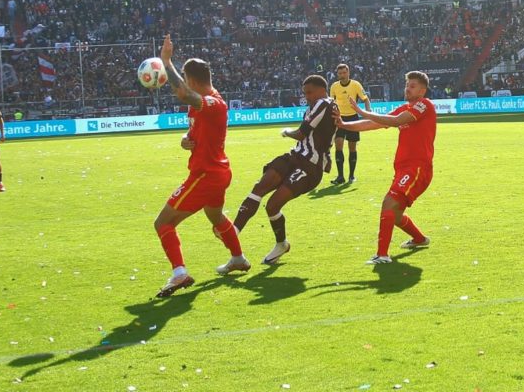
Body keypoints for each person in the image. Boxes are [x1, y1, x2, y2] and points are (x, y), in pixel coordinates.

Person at [152, 34, 247, 298]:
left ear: (192, 80)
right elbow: (195, 131)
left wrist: (166, 62)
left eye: (184, 78)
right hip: (217, 172)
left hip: (206, 174)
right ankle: (238, 258)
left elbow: (183, 93)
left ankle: (179, 272)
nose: (181, 83)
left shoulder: (214, 103)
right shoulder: (202, 105)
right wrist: (187, 139)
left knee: (162, 223)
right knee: (216, 217)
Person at [231, 75, 338, 264]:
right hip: (294, 157)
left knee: (273, 205)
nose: (307, 97)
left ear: (322, 90)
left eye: (310, 92)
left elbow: (301, 134)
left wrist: (286, 131)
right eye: (305, 93)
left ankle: (280, 244)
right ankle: (232, 233)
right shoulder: (317, 106)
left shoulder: (325, 103)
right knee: (260, 186)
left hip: (310, 166)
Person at [336, 71, 436, 264]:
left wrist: (362, 111)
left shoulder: (424, 105)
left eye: (412, 86)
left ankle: (382, 255)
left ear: (422, 90)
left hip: (417, 169)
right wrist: (344, 124)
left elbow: (396, 121)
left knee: (388, 204)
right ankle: (420, 239)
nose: (407, 88)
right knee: (395, 214)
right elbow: (374, 123)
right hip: (404, 169)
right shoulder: (405, 107)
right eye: (407, 85)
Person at [329, 63, 370, 185]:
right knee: (338, 146)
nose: (342, 75)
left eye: (344, 72)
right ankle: (340, 176)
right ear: (337, 74)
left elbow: (365, 99)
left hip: (353, 118)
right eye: (340, 73)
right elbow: (331, 102)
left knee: (352, 147)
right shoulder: (334, 86)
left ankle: (351, 176)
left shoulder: (356, 85)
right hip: (339, 119)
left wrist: (368, 112)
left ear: (348, 72)